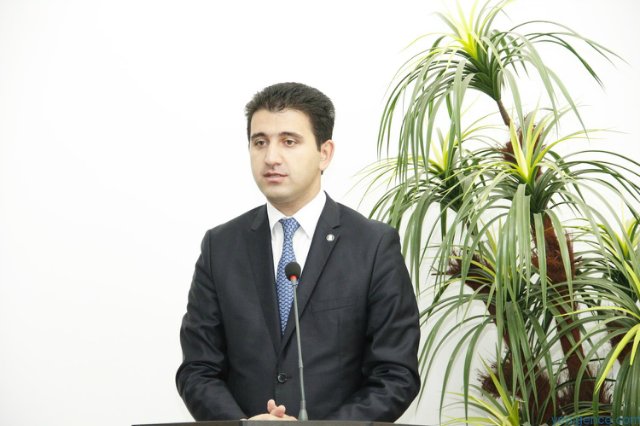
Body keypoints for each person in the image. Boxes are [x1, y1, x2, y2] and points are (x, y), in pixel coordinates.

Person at [176, 82, 420, 421]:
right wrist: (244, 425)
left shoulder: (373, 246)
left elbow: (396, 374)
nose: (271, 157)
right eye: (260, 142)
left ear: (324, 153)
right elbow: (198, 369)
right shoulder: (220, 246)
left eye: (289, 141)